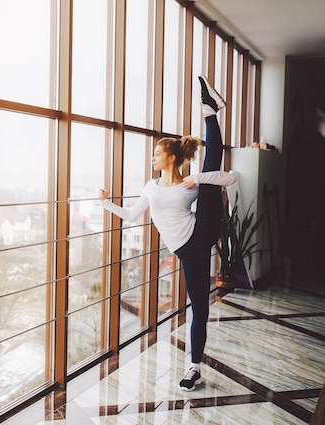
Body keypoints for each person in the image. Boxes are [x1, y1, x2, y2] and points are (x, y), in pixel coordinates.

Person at [99, 75, 236, 391]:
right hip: (187, 250)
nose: (153, 158)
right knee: (198, 305)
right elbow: (133, 216)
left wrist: (198, 179)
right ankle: (212, 110)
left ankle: (192, 367)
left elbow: (229, 178)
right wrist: (106, 203)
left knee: (213, 171)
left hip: (201, 230)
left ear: (171, 157)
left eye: (157, 154)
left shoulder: (191, 182)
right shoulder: (150, 187)